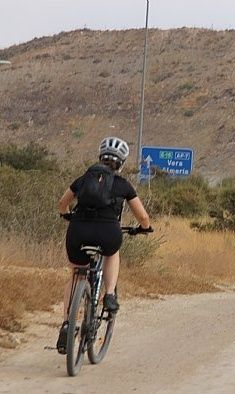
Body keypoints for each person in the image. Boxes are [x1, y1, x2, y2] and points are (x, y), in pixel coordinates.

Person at [56, 136, 153, 354]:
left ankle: (66, 325)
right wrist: (144, 228)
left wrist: (67, 216)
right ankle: (109, 294)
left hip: (78, 231)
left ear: (100, 157)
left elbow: (62, 204)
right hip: (108, 232)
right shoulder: (122, 185)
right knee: (112, 252)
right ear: (121, 162)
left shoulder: (82, 179)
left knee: (75, 274)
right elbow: (143, 217)